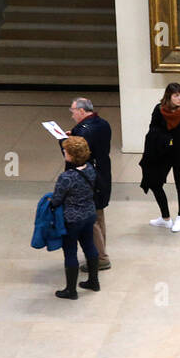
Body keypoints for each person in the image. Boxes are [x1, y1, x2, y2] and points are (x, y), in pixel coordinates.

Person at [139, 83, 180, 232]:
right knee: (155, 182)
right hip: (164, 152)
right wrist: (164, 139)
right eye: (176, 95)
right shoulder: (159, 109)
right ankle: (165, 218)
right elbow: (153, 127)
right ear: (169, 96)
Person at [63, 98, 112, 270]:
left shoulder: (84, 131)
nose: (72, 115)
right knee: (99, 217)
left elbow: (77, 155)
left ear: (82, 111)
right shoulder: (103, 124)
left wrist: (66, 142)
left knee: (91, 220)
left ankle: (100, 257)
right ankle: (100, 253)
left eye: (73, 111)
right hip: (103, 175)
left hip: (89, 180)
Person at [50, 136, 99, 300]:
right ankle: (93, 281)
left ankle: (71, 290)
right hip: (89, 214)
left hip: (72, 219)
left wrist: (51, 202)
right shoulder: (91, 169)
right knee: (89, 246)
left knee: (70, 252)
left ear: (71, 155)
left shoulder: (67, 177)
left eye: (66, 151)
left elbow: (57, 199)